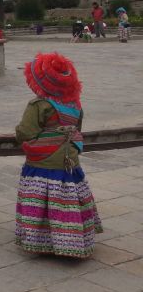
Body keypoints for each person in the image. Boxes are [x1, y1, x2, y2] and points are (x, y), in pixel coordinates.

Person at [15, 53, 102, 258]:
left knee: (42, 200)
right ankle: (72, 241)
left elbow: (26, 132)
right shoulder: (74, 105)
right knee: (67, 199)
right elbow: (77, 127)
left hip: (43, 162)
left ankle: (41, 241)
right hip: (69, 160)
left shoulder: (38, 105)